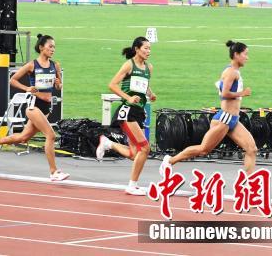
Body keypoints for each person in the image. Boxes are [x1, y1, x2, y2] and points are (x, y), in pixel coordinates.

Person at [160, 40, 257, 175]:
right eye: (245, 54)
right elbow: (225, 94)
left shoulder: (233, 72)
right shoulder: (231, 72)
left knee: (252, 149)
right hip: (225, 119)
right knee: (204, 149)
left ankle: (248, 183)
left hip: (233, 119)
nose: (247, 57)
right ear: (236, 54)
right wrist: (243, 93)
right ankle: (170, 161)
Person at [0, 34, 69, 181]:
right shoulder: (32, 65)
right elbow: (13, 80)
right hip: (33, 106)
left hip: (47, 107)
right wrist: (27, 88)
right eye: (50, 46)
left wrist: (58, 84)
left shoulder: (55, 65)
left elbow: (59, 85)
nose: (53, 49)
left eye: (54, 47)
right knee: (51, 135)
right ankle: (54, 171)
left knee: (24, 137)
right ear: (41, 47)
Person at [96, 36, 156, 195]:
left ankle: (108, 144)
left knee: (135, 153)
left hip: (139, 112)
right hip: (128, 110)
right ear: (137, 49)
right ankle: (132, 185)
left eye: (150, 48)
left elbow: (144, 84)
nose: (148, 51)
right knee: (145, 148)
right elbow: (112, 84)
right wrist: (128, 97)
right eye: (145, 48)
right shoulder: (129, 65)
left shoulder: (149, 67)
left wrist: (150, 93)